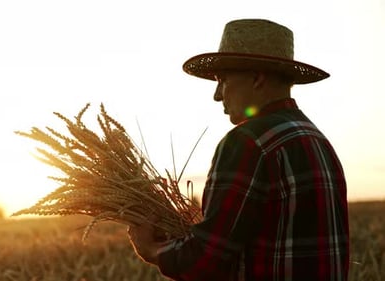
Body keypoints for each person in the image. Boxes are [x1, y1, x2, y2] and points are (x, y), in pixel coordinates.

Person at [127, 19, 349, 281]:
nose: (217, 94)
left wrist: (152, 249)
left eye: (222, 80)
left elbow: (208, 260)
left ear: (257, 78)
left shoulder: (248, 142)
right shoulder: (318, 141)